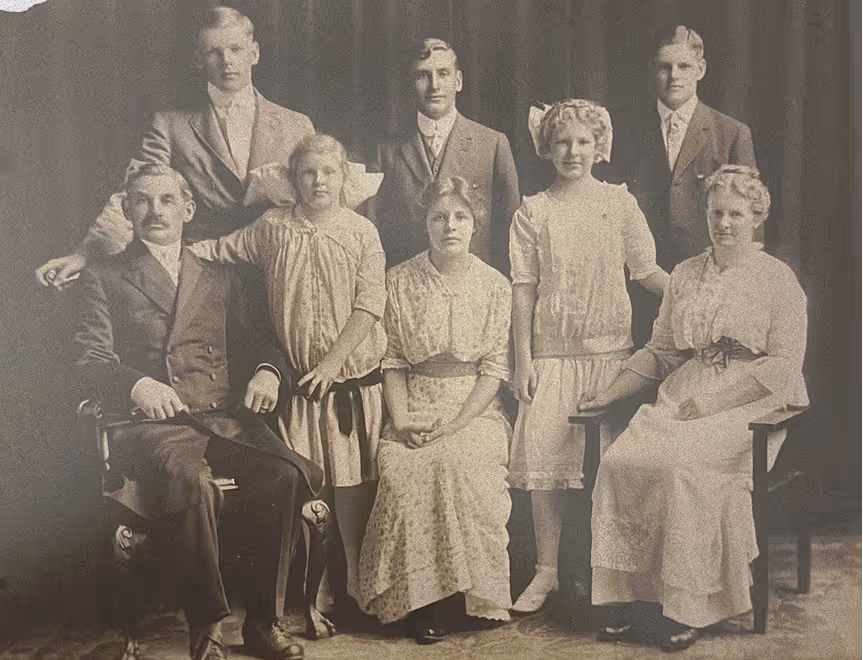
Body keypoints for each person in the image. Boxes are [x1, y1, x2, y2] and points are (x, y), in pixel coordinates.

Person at [75, 164, 326, 660]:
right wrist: (138, 383)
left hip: (222, 418)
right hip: (152, 425)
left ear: (188, 209)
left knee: (284, 474)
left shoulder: (218, 274)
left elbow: (264, 343)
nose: (155, 212)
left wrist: (266, 372)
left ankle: (262, 623)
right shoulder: (104, 278)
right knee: (192, 483)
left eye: (167, 201)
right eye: (143, 201)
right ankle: (207, 628)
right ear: (126, 210)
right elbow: (90, 361)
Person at [581, 165, 808, 652]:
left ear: (757, 217)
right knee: (622, 462)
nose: (724, 223)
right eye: (716, 212)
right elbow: (661, 352)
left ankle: (691, 607)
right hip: (683, 394)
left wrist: (711, 401)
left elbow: (785, 367)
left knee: (682, 470)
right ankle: (636, 600)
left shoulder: (777, 279)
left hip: (752, 405)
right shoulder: (685, 274)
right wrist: (609, 392)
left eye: (736, 214)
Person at [190, 133, 386, 613]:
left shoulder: (362, 232)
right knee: (306, 488)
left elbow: (370, 304)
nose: (319, 182)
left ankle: (356, 582)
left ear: (344, 178)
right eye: (308, 173)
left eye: (329, 173)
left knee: (352, 489)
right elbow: (216, 250)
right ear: (294, 180)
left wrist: (332, 363)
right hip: (299, 389)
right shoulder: (273, 226)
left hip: (348, 386)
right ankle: (312, 587)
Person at [507, 99, 667, 614]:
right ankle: (547, 571)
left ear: (599, 147)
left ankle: (607, 574)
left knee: (608, 473)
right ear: (547, 148)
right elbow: (523, 290)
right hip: (553, 358)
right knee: (547, 469)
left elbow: (647, 273)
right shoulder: (533, 211)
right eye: (562, 142)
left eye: (583, 142)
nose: (572, 151)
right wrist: (523, 360)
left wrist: (696, 294)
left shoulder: (619, 204)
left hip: (612, 361)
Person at [36, 6, 314, 288]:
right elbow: (134, 195)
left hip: (280, 275)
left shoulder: (297, 126)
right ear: (198, 59)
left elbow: (321, 207)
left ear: (253, 53)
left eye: (236, 49)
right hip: (198, 273)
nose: (227, 61)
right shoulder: (170, 126)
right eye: (214, 52)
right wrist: (83, 255)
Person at [357, 177, 513, 644]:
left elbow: (495, 369)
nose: (450, 226)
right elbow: (394, 361)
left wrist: (458, 424)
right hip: (413, 406)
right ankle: (419, 600)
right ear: (424, 224)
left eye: (460, 217)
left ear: (475, 222)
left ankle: (463, 598)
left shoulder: (494, 285)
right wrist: (401, 419)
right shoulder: (399, 280)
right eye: (439, 217)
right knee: (405, 474)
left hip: (474, 408)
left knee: (459, 464)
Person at [620, 25, 758, 346]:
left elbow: (749, 222)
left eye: (683, 66)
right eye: (664, 67)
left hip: (709, 286)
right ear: (652, 70)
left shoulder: (732, 133)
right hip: (641, 286)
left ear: (701, 69)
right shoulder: (627, 132)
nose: (674, 76)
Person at [374, 37, 520, 274]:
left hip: (474, 288)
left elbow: (512, 232)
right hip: (406, 288)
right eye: (423, 75)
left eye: (443, 73)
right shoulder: (386, 151)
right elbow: (374, 233)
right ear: (411, 83)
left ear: (459, 80)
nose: (434, 86)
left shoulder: (492, 144)